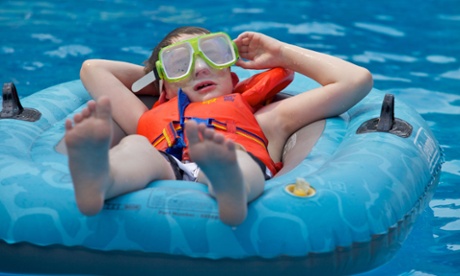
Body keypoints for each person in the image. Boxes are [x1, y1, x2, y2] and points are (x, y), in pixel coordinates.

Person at [67, 26, 373, 226]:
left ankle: (230, 184)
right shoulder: (145, 117)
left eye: (212, 56)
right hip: (168, 164)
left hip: (235, 160)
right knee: (135, 147)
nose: (200, 69)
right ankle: (102, 179)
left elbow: (356, 81)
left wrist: (281, 53)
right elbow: (93, 69)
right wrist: (158, 78)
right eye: (180, 65)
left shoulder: (265, 119)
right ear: (163, 85)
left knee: (237, 155)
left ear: (232, 70)